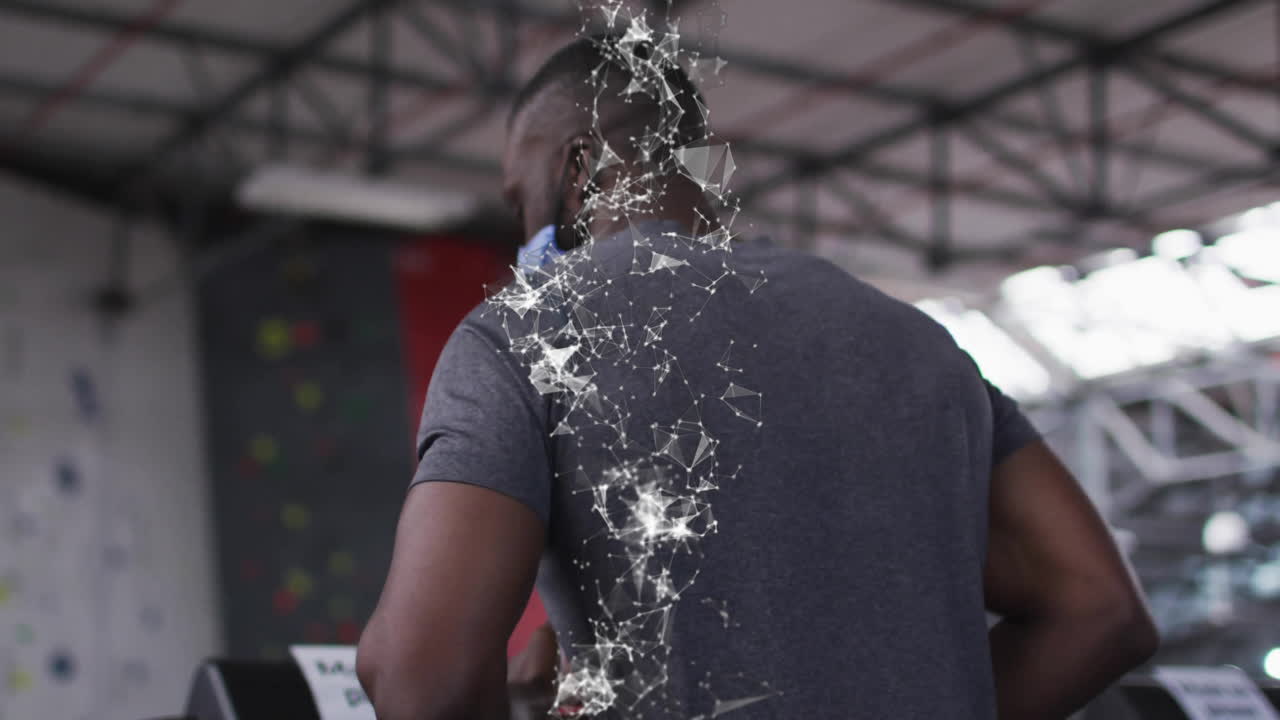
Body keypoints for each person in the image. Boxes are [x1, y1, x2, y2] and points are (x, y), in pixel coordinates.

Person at [356, 29, 1158, 720]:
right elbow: (1099, 608)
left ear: (579, 168)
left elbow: (423, 680)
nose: (522, 225)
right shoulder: (921, 343)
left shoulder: (529, 331)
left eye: (519, 196)